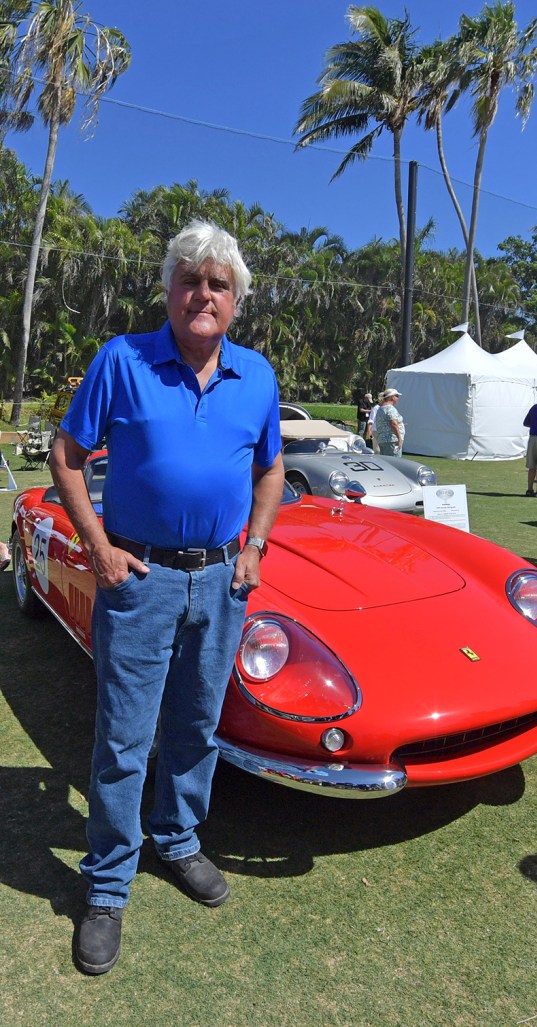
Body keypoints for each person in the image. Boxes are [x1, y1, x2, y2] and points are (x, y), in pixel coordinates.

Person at [49, 220, 284, 976]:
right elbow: (67, 454)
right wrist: (97, 545)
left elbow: (271, 471)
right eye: (190, 279)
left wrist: (254, 547)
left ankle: (178, 837)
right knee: (123, 736)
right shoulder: (123, 360)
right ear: (170, 290)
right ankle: (109, 883)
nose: (203, 293)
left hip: (222, 580)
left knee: (195, 724)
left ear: (236, 300)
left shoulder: (257, 376)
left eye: (219, 283)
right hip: (139, 580)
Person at [374, 387, 404, 456]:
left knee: (386, 463)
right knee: (394, 463)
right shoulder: (390, 408)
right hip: (392, 441)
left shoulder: (380, 408)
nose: (398, 398)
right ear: (392, 397)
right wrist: (399, 438)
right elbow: (393, 423)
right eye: (397, 396)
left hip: (383, 440)